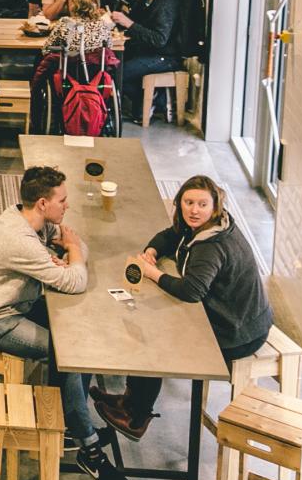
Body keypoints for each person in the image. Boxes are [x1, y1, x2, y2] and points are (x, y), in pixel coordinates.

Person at [0, 166, 132, 480]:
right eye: (62, 200)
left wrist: (69, 253)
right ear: (41, 203)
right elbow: (76, 278)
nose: (67, 206)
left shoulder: (28, 220)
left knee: (78, 340)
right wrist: (71, 256)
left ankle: (70, 421)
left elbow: (73, 242)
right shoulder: (20, 239)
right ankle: (89, 449)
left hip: (13, 304)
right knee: (68, 354)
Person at [92, 176, 273, 440]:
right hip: (238, 318)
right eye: (188, 203)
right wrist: (153, 250)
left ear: (215, 206)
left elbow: (191, 291)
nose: (194, 210)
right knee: (151, 324)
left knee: (155, 338)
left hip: (237, 332)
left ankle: (137, 416)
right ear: (179, 203)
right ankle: (129, 400)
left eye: (202, 204)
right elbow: (171, 234)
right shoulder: (207, 225)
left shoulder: (212, 246)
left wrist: (152, 273)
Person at [109, 0, 183, 123]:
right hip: (147, 50)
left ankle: (151, 99)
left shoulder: (165, 1)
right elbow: (138, 21)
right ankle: (148, 98)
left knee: (118, 73)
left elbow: (159, 40)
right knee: (111, 63)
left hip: (166, 56)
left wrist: (128, 23)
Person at [46, 0, 116, 55]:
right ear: (97, 6)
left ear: (75, 5)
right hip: (94, 66)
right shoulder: (103, 24)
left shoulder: (65, 22)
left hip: (68, 64)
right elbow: (109, 47)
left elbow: (47, 49)